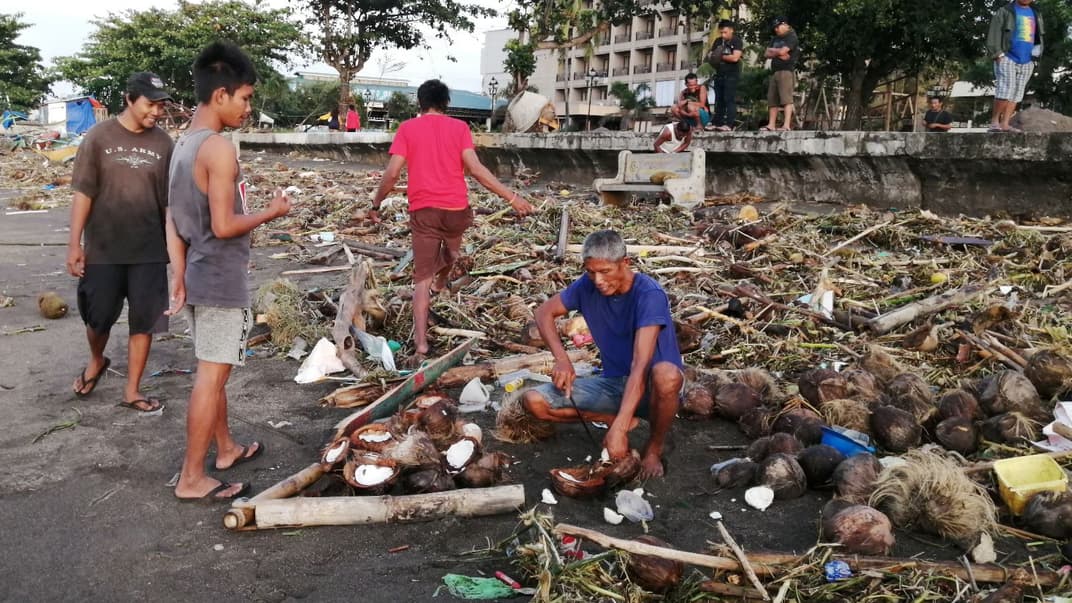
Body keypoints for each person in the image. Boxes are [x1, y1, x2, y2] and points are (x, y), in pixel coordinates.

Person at [167, 42, 292, 502]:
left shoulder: (183, 144)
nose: (248, 107)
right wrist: (271, 212)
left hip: (197, 274)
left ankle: (226, 449)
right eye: (245, 97)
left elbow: (171, 218)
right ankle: (191, 478)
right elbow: (223, 226)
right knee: (212, 378)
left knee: (211, 370)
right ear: (220, 95)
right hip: (219, 278)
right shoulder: (218, 148)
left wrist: (178, 274)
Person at [365, 80, 534, 366]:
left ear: (420, 103)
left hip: (424, 211)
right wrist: (512, 197)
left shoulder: (407, 129)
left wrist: (376, 203)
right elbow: (476, 169)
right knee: (452, 254)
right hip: (456, 209)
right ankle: (441, 283)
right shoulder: (460, 128)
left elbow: (392, 173)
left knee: (421, 281)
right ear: (446, 103)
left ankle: (421, 344)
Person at [522, 230, 684, 479]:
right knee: (534, 400)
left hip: (653, 389)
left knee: (667, 375)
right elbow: (543, 312)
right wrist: (562, 360)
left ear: (625, 263)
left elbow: (640, 365)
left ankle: (654, 447)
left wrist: (620, 430)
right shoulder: (587, 286)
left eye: (605, 271)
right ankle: (611, 418)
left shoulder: (649, 294)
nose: (598, 280)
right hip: (615, 384)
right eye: (591, 272)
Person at [66, 72, 174, 412]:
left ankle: (132, 390)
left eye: (161, 106)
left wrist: (176, 250)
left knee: (144, 320)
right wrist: (74, 244)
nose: (156, 112)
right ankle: (97, 359)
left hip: (149, 250)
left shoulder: (164, 144)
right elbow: (83, 192)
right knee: (97, 318)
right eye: (150, 104)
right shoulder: (99, 137)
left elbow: (169, 203)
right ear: (129, 99)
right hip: (104, 248)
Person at [986, 0, 1045, 132]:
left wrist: (1035, 57)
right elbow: (994, 33)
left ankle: (1005, 123)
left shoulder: (1036, 13)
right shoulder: (1005, 11)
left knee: (1017, 93)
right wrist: (997, 54)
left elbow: (1038, 36)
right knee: (1005, 90)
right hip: (1007, 56)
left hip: (1027, 59)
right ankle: (994, 122)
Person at [762, 17, 800, 131]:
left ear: (785, 24)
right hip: (775, 70)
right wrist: (779, 53)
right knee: (772, 98)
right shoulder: (775, 38)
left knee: (786, 99)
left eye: (778, 27)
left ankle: (786, 125)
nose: (776, 29)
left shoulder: (791, 36)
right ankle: (771, 124)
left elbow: (783, 51)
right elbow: (766, 53)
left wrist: (774, 51)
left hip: (786, 70)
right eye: (775, 28)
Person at [707, 20, 744, 131]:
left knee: (729, 99)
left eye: (725, 32)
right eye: (721, 32)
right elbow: (711, 56)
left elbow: (735, 57)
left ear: (731, 30)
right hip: (719, 74)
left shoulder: (736, 41)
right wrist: (714, 57)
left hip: (731, 75)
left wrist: (721, 57)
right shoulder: (718, 41)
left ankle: (729, 124)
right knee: (719, 100)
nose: (723, 35)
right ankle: (717, 122)